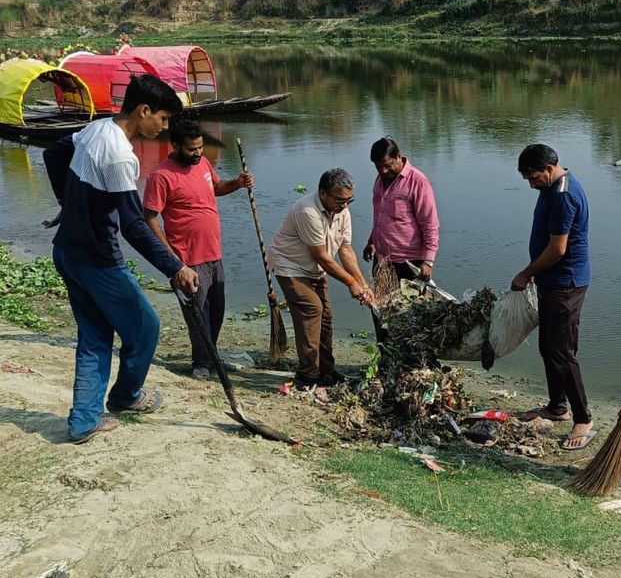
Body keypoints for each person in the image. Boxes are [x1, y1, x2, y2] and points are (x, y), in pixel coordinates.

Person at [42, 75, 198, 444]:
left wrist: (69, 203)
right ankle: (126, 397)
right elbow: (134, 225)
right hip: (97, 261)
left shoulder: (96, 128)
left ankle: (83, 421)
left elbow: (54, 153)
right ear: (144, 110)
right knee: (145, 327)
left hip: (67, 251)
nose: (164, 127)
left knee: (95, 334)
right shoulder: (120, 156)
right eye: (162, 119)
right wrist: (175, 267)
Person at [142, 117, 253, 380]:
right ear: (176, 145)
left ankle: (211, 356)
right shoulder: (161, 177)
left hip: (214, 254)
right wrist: (172, 260)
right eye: (192, 149)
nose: (198, 153)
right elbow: (149, 217)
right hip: (187, 260)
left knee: (217, 311)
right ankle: (201, 363)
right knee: (197, 314)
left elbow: (216, 188)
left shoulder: (202, 164)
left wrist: (237, 183)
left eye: (201, 147)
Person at [510, 144, 594, 451]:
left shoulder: (564, 195)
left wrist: (526, 272)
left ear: (548, 168)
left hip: (566, 284)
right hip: (551, 281)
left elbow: (558, 249)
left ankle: (583, 418)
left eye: (532, 177)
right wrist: (536, 273)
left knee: (562, 351)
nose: (531, 184)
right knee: (549, 347)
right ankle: (557, 407)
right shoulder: (551, 188)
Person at [268, 168, 374, 390]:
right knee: (312, 309)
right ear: (323, 193)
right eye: (340, 200)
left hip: (315, 269)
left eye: (349, 200)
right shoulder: (307, 211)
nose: (345, 205)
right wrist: (349, 283)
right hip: (290, 266)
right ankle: (307, 374)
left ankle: (326, 370)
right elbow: (322, 257)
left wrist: (363, 284)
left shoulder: (342, 211)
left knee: (326, 315)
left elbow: (345, 250)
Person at [363, 137, 439, 283]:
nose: (384, 171)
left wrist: (428, 261)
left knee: (411, 305)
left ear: (398, 156)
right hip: (382, 260)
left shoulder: (418, 182)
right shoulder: (380, 179)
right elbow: (380, 215)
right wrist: (372, 241)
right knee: (381, 304)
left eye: (388, 165)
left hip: (410, 263)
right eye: (379, 167)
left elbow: (430, 224)